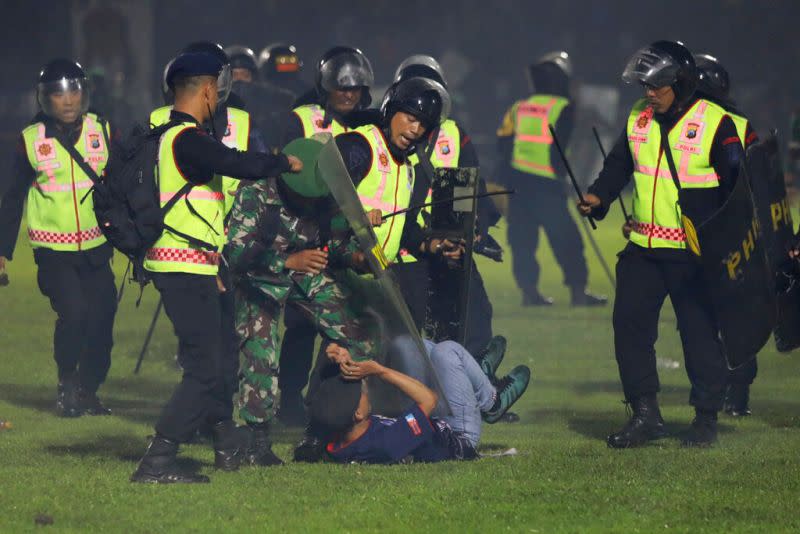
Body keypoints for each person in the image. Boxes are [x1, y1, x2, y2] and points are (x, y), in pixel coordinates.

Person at [129, 51, 302, 484]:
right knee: (206, 368)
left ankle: (226, 441)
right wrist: (282, 162)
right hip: (182, 266)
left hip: (197, 264)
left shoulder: (170, 135)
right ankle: (159, 459)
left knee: (218, 357)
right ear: (208, 90)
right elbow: (235, 163)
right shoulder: (187, 138)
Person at [578, 41, 744, 448]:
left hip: (694, 254)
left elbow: (739, 189)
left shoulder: (715, 123)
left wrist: (729, 245)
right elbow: (620, 162)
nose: (648, 93)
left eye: (657, 86)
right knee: (629, 328)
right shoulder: (639, 116)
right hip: (643, 248)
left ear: (682, 83)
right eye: (645, 86)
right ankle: (646, 415)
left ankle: (706, 418)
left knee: (699, 335)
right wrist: (599, 197)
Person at [620, 53, 760, 416]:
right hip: (661, 243)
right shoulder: (660, 118)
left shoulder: (731, 126)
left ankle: (732, 394)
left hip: (712, 244)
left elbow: (748, 186)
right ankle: (692, 405)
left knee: (719, 324)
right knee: (705, 326)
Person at [224, 151, 377, 465]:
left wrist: (355, 257)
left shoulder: (323, 194)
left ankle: (323, 425)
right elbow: (237, 255)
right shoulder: (254, 193)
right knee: (260, 350)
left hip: (304, 275)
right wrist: (286, 261)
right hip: (259, 277)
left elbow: (333, 242)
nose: (309, 206)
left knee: (358, 330)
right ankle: (257, 441)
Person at [0, 59, 117, 417]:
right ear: (45, 100)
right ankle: (68, 383)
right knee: (75, 314)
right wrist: (2, 251)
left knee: (102, 319)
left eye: (73, 92)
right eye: (58, 94)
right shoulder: (31, 141)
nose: (67, 101)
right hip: (53, 251)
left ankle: (89, 389)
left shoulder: (104, 130)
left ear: (84, 94)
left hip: (97, 248)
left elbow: (120, 185)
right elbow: (13, 197)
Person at [277, 46, 376, 426]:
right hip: (305, 234)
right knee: (302, 323)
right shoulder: (301, 121)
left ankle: (328, 397)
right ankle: (288, 397)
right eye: (341, 89)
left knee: (347, 323)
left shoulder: (368, 125)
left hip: (350, 237)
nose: (348, 95)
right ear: (325, 88)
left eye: (355, 89)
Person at [392, 54, 501, 360]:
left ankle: (472, 393)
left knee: (473, 321)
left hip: (448, 247)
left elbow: (469, 193)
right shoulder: (384, 136)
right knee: (404, 338)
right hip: (400, 254)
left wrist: (472, 229)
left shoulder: (453, 135)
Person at [497, 51, 606, 307]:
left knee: (522, 242)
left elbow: (503, 143)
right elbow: (560, 149)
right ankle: (578, 292)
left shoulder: (518, 107)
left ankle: (529, 293)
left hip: (518, 185)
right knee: (567, 240)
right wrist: (562, 179)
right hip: (547, 186)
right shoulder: (563, 108)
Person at [308, 339, 530, 464]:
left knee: (407, 346)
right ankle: (492, 401)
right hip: (457, 435)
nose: (364, 385)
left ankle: (475, 377)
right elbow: (428, 400)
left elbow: (332, 400)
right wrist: (380, 370)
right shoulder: (387, 443)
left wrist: (344, 360)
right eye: (361, 390)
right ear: (357, 414)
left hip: (429, 420)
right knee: (446, 352)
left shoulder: (338, 435)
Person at [224, 44, 295, 150]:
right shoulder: (211, 107)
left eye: (245, 75)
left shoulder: (274, 106)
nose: (239, 81)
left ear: (254, 78)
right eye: (234, 75)